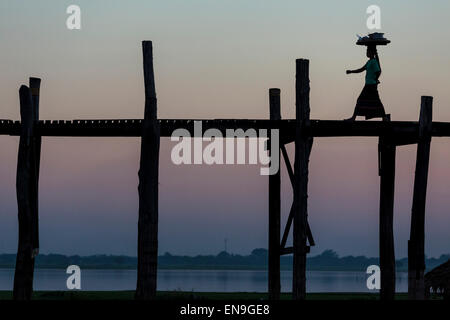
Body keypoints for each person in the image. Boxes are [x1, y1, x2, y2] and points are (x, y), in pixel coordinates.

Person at [345, 45, 388, 121]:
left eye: (368, 52)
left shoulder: (374, 61)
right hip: (368, 85)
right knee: (376, 101)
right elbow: (361, 69)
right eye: (366, 52)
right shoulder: (369, 62)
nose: (367, 53)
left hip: (371, 86)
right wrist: (351, 71)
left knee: (361, 100)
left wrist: (375, 79)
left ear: (372, 53)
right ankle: (384, 117)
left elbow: (378, 71)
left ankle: (353, 118)